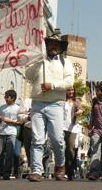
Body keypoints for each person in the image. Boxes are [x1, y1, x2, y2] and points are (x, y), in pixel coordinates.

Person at [25, 28, 74, 182]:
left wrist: (52, 85)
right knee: (37, 139)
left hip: (56, 104)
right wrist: (38, 62)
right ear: (46, 45)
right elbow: (28, 75)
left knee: (57, 139)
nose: (53, 46)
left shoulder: (66, 63)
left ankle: (60, 165)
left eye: (56, 44)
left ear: (60, 48)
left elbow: (69, 82)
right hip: (38, 103)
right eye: (51, 43)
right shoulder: (38, 61)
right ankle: (36, 170)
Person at [0, 89, 21, 180]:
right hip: (1, 132)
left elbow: (19, 122)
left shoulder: (18, 108)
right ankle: (0, 172)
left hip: (12, 133)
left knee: (9, 154)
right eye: (5, 96)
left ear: (13, 98)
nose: (5, 98)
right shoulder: (2, 107)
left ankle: (7, 173)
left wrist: (7, 120)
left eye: (7, 97)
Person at [64, 85, 83, 181]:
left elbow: (81, 109)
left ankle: (70, 171)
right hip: (61, 126)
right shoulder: (61, 100)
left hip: (72, 128)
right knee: (60, 148)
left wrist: (78, 112)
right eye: (69, 90)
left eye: (72, 90)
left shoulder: (76, 101)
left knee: (70, 150)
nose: (71, 91)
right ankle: (60, 170)